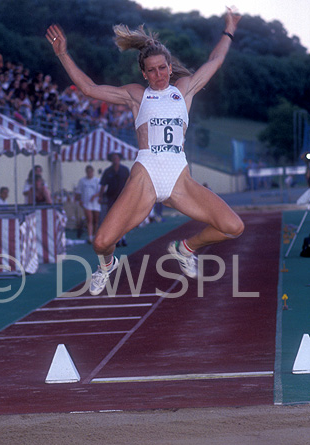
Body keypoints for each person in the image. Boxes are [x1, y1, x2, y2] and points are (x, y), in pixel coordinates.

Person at [46, 8, 244, 296]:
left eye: (162, 68)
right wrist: (62, 53)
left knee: (233, 226)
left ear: (169, 66)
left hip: (179, 177)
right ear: (143, 72)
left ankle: (185, 249)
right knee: (101, 242)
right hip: (146, 175)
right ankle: (107, 265)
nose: (158, 74)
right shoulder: (137, 95)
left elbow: (216, 59)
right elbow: (88, 89)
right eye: (151, 70)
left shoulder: (184, 90)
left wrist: (230, 28)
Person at [99, 152, 130, 245]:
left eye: (116, 158)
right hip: (111, 197)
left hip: (123, 197)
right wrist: (100, 196)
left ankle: (123, 238)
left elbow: (130, 183)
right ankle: (116, 239)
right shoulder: (108, 171)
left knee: (123, 218)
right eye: (113, 158)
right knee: (113, 218)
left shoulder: (125, 170)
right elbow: (103, 185)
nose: (115, 160)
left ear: (119, 159)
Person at [75, 165, 101, 243]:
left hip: (95, 203)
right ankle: (90, 237)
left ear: (93, 172)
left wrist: (95, 196)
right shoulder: (82, 181)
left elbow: (101, 191)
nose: (89, 173)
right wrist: (79, 200)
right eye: (88, 172)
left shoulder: (97, 180)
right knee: (89, 219)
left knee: (95, 220)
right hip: (87, 203)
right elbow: (78, 192)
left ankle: (94, 235)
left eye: (90, 171)